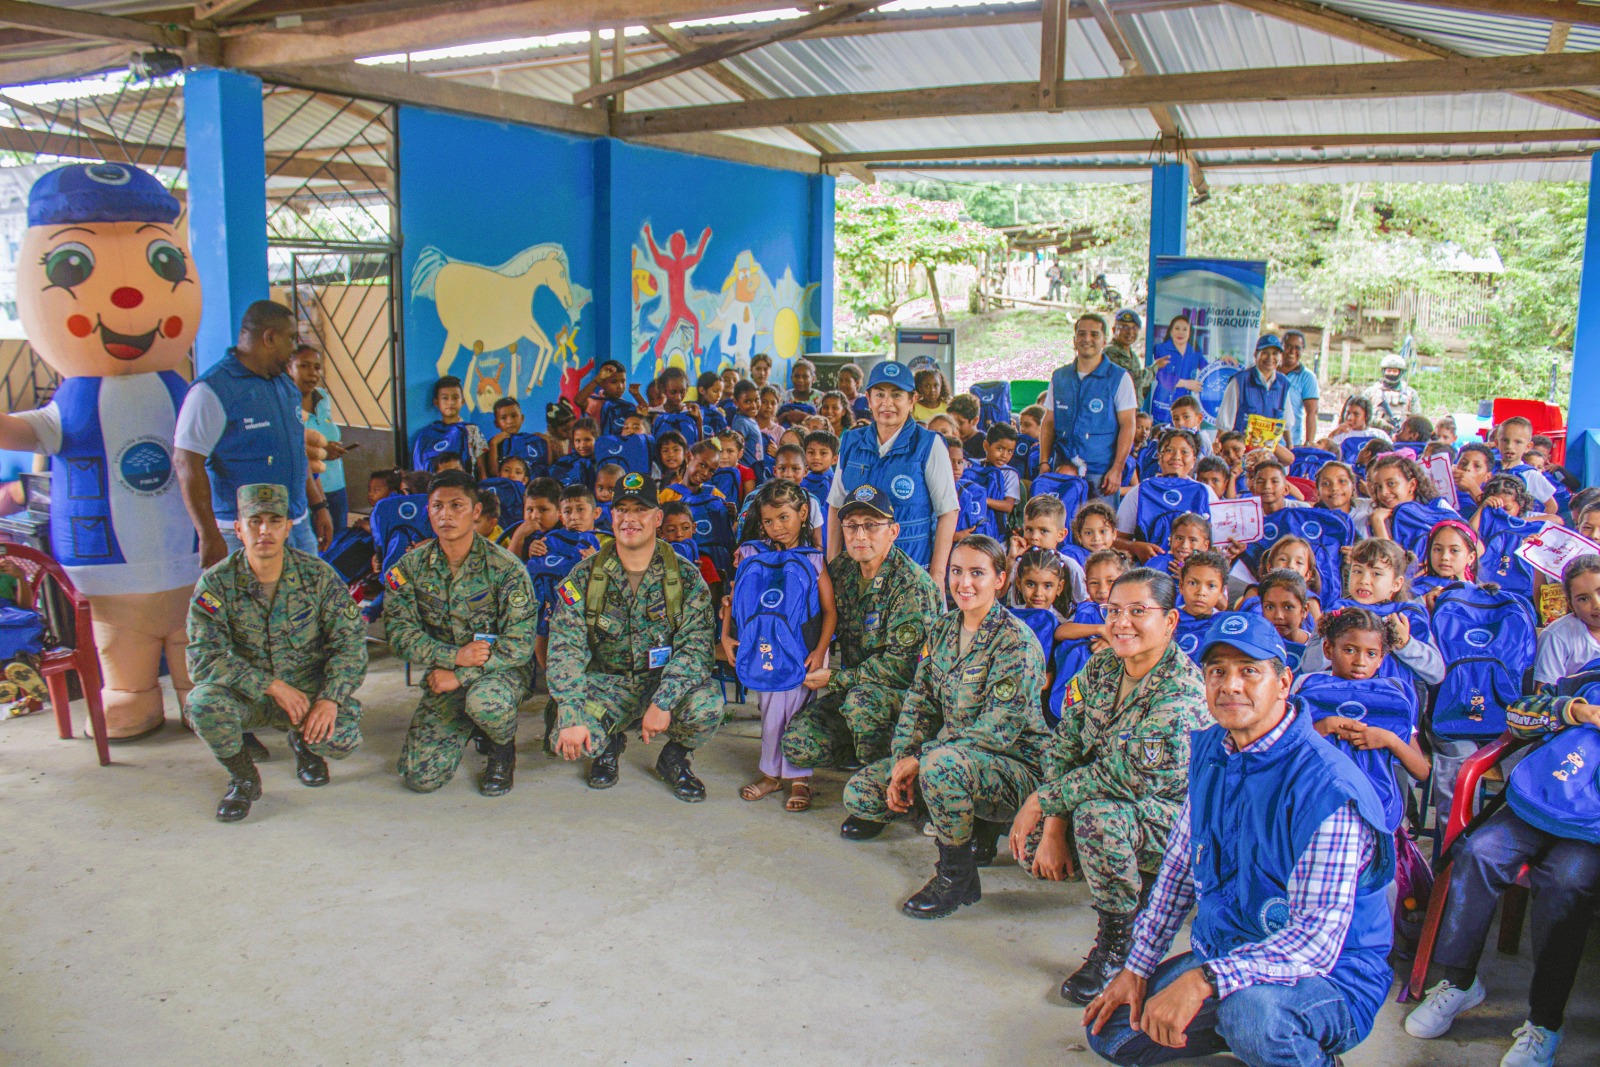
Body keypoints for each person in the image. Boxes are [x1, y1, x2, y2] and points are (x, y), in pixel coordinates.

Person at [1084, 612, 1395, 1067]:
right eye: (1217, 672)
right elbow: (1177, 874)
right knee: (1113, 1033)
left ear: (1284, 681)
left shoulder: (1328, 789)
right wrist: (1137, 967)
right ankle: (1248, 1034)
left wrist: (1205, 980)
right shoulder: (1212, 749)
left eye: (1250, 671)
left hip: (1333, 977)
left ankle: (1293, 1047)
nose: (1231, 685)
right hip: (1234, 951)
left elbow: (1316, 942)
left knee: (1252, 1016)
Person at [1404, 561, 1600, 1067]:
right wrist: (1573, 712)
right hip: (1540, 799)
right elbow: (1520, 712)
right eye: (1584, 597)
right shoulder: (1587, 679)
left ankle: (1544, 1021)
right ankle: (1459, 980)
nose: (1594, 605)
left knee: (1567, 883)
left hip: (1591, 828)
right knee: (1480, 851)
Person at [1011, 567, 1212, 1003]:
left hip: (1179, 825)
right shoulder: (1103, 664)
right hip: (1112, 800)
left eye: (1138, 611)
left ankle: (1120, 945)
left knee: (1098, 818)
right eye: (1114, 610)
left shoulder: (1181, 692)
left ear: (1170, 621)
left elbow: (1127, 777)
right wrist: (1052, 825)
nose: (1122, 623)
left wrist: (1044, 801)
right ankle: (1133, 879)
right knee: (1035, 847)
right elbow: (1066, 740)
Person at [841, 535, 1051, 920]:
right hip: (953, 761)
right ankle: (974, 831)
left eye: (977, 573)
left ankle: (956, 876)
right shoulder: (942, 630)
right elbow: (919, 702)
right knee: (862, 795)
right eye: (956, 572)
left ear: (1000, 579)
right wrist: (903, 760)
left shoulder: (1016, 643)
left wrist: (921, 760)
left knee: (941, 766)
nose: (964, 583)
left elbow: (998, 730)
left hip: (1015, 768)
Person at [186, 484, 367, 822]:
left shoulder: (317, 576)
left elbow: (350, 642)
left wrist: (330, 698)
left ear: (288, 527)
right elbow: (203, 658)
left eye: (274, 520)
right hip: (248, 696)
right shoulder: (217, 584)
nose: (265, 530)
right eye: (254, 521)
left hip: (306, 693)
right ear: (239, 529)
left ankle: (306, 746)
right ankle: (244, 778)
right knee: (202, 705)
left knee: (342, 737)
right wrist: (270, 686)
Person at [547, 473, 724, 802]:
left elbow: (696, 651)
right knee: (566, 739)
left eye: (640, 510)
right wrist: (570, 712)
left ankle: (674, 758)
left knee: (706, 706)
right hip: (607, 682)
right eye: (621, 509)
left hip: (662, 679)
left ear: (658, 518)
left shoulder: (684, 575)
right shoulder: (585, 576)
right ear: (610, 516)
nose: (630, 519)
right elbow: (565, 650)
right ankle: (608, 743)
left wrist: (664, 701)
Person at [383, 469, 536, 796]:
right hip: (446, 670)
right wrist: (453, 658)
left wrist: (463, 674)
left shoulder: (506, 568)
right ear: (428, 511)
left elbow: (520, 645)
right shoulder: (410, 568)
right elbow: (398, 633)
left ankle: (501, 747)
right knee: (420, 778)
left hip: (500, 671)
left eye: (457, 506)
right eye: (438, 506)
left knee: (486, 704)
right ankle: (469, 725)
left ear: (476, 511)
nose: (446, 515)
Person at [784, 485, 944, 791]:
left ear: (893, 531)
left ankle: (883, 786)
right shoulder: (841, 570)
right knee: (798, 744)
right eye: (852, 526)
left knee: (861, 704)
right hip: (858, 690)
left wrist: (834, 679)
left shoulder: (911, 586)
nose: (860, 536)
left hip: (907, 700)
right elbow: (810, 616)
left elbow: (903, 669)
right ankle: (869, 753)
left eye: (871, 526)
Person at [176, 300, 333, 568]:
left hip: (297, 525)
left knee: (306, 606)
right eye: (291, 339)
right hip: (243, 534)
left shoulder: (285, 385)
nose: (295, 347)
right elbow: (186, 463)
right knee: (253, 609)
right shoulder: (211, 391)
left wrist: (318, 506)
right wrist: (208, 534)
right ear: (270, 338)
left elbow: (296, 451)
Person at [828, 360, 959, 581]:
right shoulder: (851, 441)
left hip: (911, 576)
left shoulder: (928, 445)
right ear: (868, 399)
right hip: (858, 575)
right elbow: (835, 506)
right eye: (880, 395)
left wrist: (935, 577)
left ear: (912, 400)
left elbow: (947, 512)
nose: (887, 403)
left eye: (897, 395)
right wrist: (833, 567)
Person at [1039, 314, 1138, 501]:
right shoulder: (1060, 377)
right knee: (1062, 526)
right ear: (1074, 340)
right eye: (1081, 334)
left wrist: (1117, 469)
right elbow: (1049, 423)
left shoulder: (1119, 378)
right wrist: (1044, 463)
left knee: (1099, 527)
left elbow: (1128, 425)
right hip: (1064, 471)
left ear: (1105, 340)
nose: (1087, 339)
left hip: (1102, 474)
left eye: (1094, 334)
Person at [288, 344, 352, 532]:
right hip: (308, 492)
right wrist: (323, 452)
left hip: (336, 487)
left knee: (338, 548)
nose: (312, 373)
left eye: (317, 367)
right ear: (289, 368)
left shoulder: (323, 397)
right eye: (304, 366)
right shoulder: (285, 405)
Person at [1215, 334, 1293, 447]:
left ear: (1281, 357)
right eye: (1265, 352)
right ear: (1256, 355)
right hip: (1242, 450)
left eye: (1275, 353)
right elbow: (1224, 425)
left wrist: (1290, 446)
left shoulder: (1283, 383)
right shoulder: (1240, 381)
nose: (1270, 358)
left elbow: (1286, 423)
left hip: (1271, 451)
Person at [1149, 315, 1205, 424]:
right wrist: (1186, 383)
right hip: (1164, 405)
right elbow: (1161, 376)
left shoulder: (1195, 351)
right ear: (1171, 331)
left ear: (1190, 333)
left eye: (1185, 329)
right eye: (1177, 328)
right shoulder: (1160, 348)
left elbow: (1207, 368)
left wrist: (1222, 360)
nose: (1181, 332)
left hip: (1185, 409)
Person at [1279, 329, 1321, 446]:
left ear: (1303, 351)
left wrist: (1309, 443)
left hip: (1291, 444)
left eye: (1297, 348)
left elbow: (1312, 413)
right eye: (1288, 346)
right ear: (1281, 347)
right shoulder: (1269, 371)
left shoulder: (1307, 377)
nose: (1292, 351)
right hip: (1263, 440)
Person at [1362, 353, 1420, 436]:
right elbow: (1361, 414)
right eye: (1389, 371)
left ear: (1400, 373)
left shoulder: (1411, 393)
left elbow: (1417, 418)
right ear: (1383, 371)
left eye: (1395, 371)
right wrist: (1377, 422)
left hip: (1401, 435)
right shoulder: (1371, 392)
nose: (1391, 374)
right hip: (1374, 433)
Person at [1103, 309, 1153, 404]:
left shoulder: (1132, 354)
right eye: (1124, 327)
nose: (1130, 332)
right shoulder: (1111, 352)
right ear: (1114, 330)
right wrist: (1156, 368)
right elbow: (1134, 380)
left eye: (1134, 328)